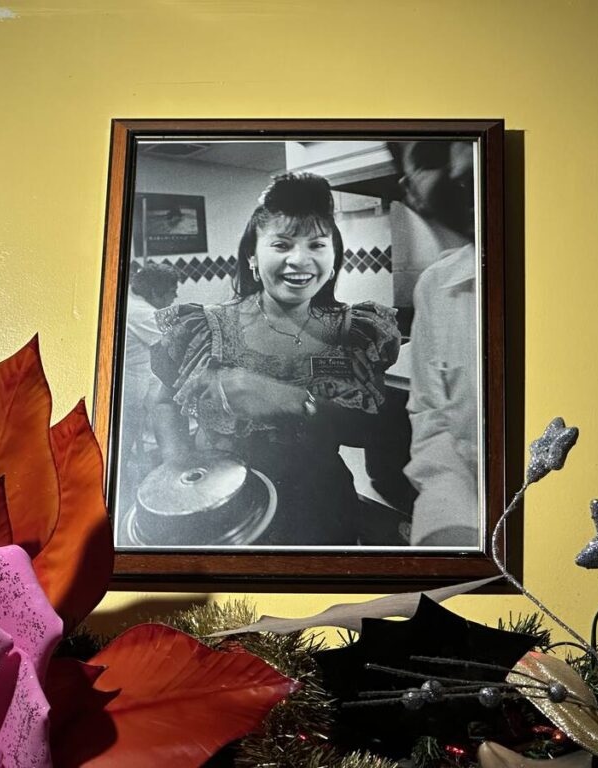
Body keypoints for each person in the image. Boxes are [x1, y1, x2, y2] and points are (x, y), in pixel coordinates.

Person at [150, 172, 401, 545]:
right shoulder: (205, 328)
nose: (299, 261)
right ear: (253, 255)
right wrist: (180, 469)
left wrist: (293, 402)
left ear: (333, 259)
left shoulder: (356, 331)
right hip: (225, 511)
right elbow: (161, 401)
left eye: (317, 245)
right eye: (281, 245)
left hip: (323, 509)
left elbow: (368, 431)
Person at [389, 140, 480, 546]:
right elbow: (434, 423)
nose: (460, 165)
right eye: (429, 156)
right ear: (412, 194)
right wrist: (446, 533)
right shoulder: (435, 289)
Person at [116, 261, 180, 518]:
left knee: (127, 452)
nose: (175, 295)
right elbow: (174, 344)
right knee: (122, 455)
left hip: (135, 390)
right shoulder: (142, 312)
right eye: (172, 291)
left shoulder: (136, 307)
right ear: (155, 293)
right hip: (132, 394)